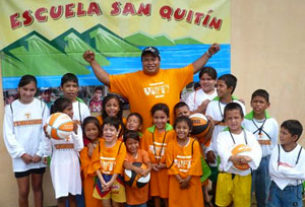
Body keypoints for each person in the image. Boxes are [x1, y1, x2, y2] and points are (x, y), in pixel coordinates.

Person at [83, 44, 220, 130]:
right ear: (142, 62)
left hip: (171, 132)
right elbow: (107, 79)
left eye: (153, 59)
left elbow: (193, 68)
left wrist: (209, 53)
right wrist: (92, 62)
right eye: (146, 60)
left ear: (159, 61)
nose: (150, 63)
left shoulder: (173, 74)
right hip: (143, 134)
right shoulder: (131, 78)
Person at [3, 75, 49, 207]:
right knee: (23, 191)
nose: (28, 93)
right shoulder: (11, 108)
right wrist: (22, 154)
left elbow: (45, 132)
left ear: (36, 90)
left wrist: (40, 153)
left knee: (38, 188)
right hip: (20, 158)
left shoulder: (42, 107)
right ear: (19, 88)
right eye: (25, 89)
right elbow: (8, 134)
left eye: (32, 90)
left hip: (37, 157)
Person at [215, 103, 262, 207]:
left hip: (244, 176)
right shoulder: (222, 135)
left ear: (242, 118)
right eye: (229, 118)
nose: (233, 121)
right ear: (225, 120)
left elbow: (257, 150)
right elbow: (221, 150)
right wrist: (233, 158)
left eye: (236, 117)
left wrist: (250, 158)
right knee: (222, 203)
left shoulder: (249, 135)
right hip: (226, 175)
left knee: (242, 203)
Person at [45, 97, 84, 207]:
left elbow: (79, 147)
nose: (71, 112)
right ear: (59, 112)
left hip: (72, 162)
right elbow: (47, 152)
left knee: (73, 195)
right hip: (58, 163)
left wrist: (75, 132)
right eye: (68, 109)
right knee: (61, 197)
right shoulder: (50, 127)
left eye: (72, 109)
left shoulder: (75, 126)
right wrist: (46, 137)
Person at [243, 89, 279, 207]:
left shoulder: (272, 122)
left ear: (267, 105)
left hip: (265, 160)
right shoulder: (245, 121)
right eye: (255, 101)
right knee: (246, 192)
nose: (257, 104)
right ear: (251, 103)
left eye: (261, 102)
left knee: (264, 192)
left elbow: (273, 144)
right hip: (249, 160)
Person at [88, 117, 127, 207]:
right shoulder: (99, 146)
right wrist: (103, 181)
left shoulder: (121, 146)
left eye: (111, 130)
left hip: (116, 179)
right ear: (102, 132)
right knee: (105, 204)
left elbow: (119, 165)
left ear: (117, 132)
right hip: (102, 179)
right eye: (105, 129)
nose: (108, 132)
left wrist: (111, 182)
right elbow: (95, 164)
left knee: (116, 204)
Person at [166, 116, 204, 207]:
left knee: (193, 202)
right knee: (177, 202)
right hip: (176, 180)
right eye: (178, 127)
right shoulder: (171, 144)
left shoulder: (194, 143)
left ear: (189, 130)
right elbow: (170, 163)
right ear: (175, 129)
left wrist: (187, 179)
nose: (181, 130)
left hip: (191, 180)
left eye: (184, 128)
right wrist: (180, 180)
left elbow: (196, 162)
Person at [141, 103, 173, 207]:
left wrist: (165, 165)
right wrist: (150, 164)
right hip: (153, 170)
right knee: (156, 196)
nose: (159, 120)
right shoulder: (147, 133)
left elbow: (176, 152)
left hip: (167, 170)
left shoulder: (172, 133)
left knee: (168, 196)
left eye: (162, 117)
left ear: (168, 118)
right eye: (156, 117)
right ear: (152, 118)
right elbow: (143, 151)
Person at [268, 120, 305, 207]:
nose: (280, 135)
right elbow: (272, 171)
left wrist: (281, 169)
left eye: (284, 133)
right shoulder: (275, 149)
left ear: (294, 137)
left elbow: (302, 174)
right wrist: (292, 171)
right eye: (281, 132)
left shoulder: (301, 153)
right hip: (275, 189)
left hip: (293, 191)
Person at [123, 130, 152, 207]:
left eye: (135, 143)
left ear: (139, 142)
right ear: (125, 144)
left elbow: (149, 164)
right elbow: (126, 164)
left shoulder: (143, 153)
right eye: (130, 143)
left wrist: (147, 171)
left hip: (142, 192)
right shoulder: (125, 154)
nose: (133, 146)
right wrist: (137, 169)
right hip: (130, 193)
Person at [80, 117, 103, 207]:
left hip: (104, 178)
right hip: (90, 179)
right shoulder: (83, 148)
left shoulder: (103, 142)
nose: (92, 132)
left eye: (94, 129)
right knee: (91, 202)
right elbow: (86, 167)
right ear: (84, 132)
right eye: (88, 130)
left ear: (99, 129)